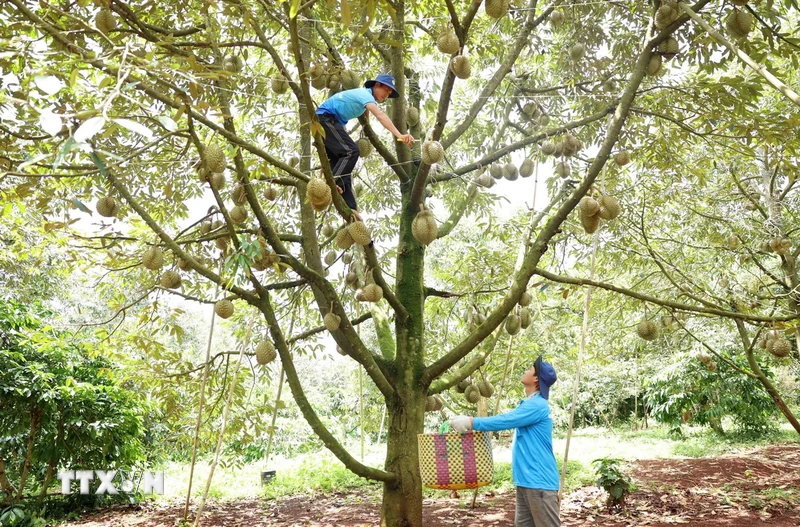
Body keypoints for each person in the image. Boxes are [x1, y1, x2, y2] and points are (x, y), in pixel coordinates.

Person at [449, 355, 560, 527]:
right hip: (525, 482)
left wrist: (472, 422)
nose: (526, 370)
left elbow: (506, 420)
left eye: (530, 369)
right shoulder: (528, 403)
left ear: (536, 378)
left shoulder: (538, 404)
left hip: (539, 483)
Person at [315, 73, 415, 220]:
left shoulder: (365, 98)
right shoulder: (365, 95)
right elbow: (380, 115)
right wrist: (400, 135)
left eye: (389, 93)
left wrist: (365, 124)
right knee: (350, 152)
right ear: (376, 85)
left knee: (343, 168)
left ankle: (351, 208)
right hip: (324, 119)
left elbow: (365, 110)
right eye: (386, 90)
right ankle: (330, 183)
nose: (387, 95)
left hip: (330, 123)